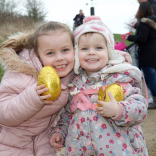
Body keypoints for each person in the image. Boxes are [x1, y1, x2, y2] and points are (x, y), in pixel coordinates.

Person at [50, 16, 148, 155]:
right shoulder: (75, 83)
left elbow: (141, 108)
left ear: (109, 51)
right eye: (84, 48)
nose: (91, 52)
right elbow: (68, 114)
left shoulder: (119, 78)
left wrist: (118, 110)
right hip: (80, 149)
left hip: (118, 150)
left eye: (98, 47)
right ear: (76, 53)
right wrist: (60, 131)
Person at [0, 21, 75, 155]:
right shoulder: (20, 73)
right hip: (10, 144)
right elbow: (3, 114)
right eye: (50, 53)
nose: (59, 58)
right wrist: (32, 98)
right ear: (38, 55)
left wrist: (117, 58)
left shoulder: (70, 73)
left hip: (44, 145)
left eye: (65, 50)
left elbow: (97, 60)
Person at [125, 2, 156, 109]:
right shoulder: (153, 20)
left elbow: (141, 39)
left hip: (147, 54)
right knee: (154, 76)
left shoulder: (144, 22)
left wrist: (129, 38)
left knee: (150, 78)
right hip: (154, 52)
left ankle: (155, 100)